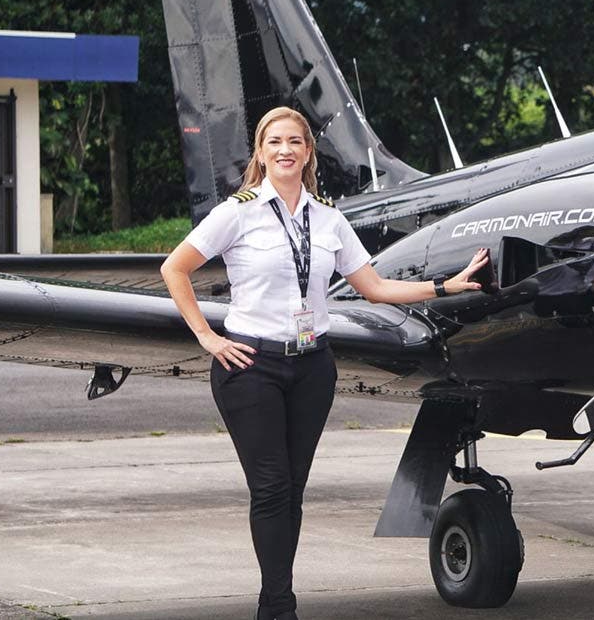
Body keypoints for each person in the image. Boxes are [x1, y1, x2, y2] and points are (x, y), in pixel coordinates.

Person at [161, 106, 487, 620]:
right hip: (251, 366)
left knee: (292, 492)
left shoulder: (329, 219)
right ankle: (277, 607)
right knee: (270, 489)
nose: (285, 150)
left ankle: (278, 598)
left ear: (308, 152)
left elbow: (375, 287)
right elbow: (174, 268)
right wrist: (207, 337)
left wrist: (446, 285)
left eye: (295, 141)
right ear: (261, 153)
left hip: (312, 368)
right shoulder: (238, 211)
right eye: (274, 142)